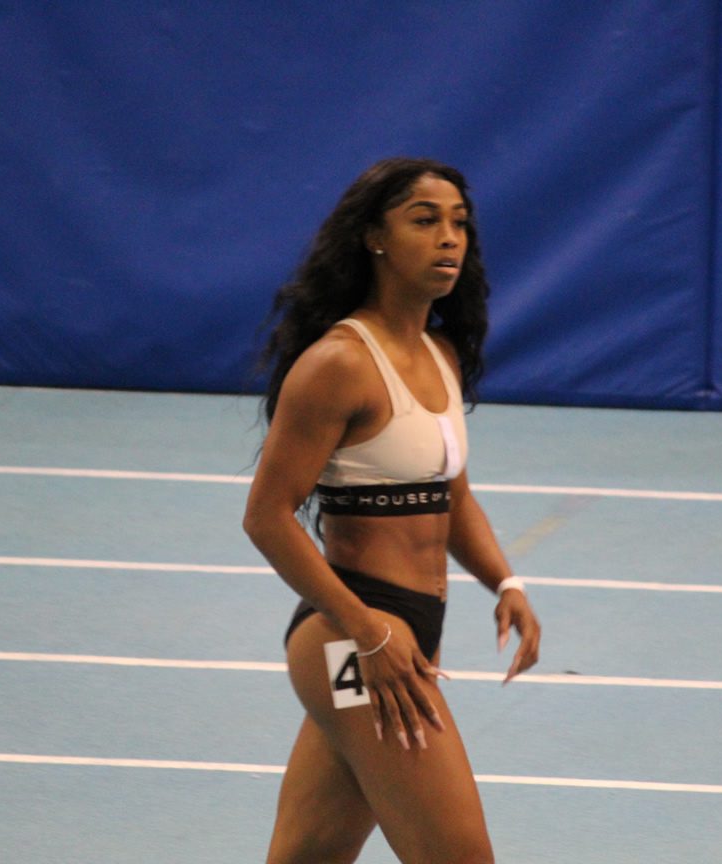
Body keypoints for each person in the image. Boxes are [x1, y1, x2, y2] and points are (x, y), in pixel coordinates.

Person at [243, 157, 541, 864]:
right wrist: (366, 629)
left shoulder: (440, 353)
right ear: (374, 236)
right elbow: (266, 516)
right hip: (354, 636)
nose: (450, 238)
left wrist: (505, 581)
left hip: (407, 636)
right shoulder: (339, 363)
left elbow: (452, 496)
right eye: (425, 220)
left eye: (459, 223)